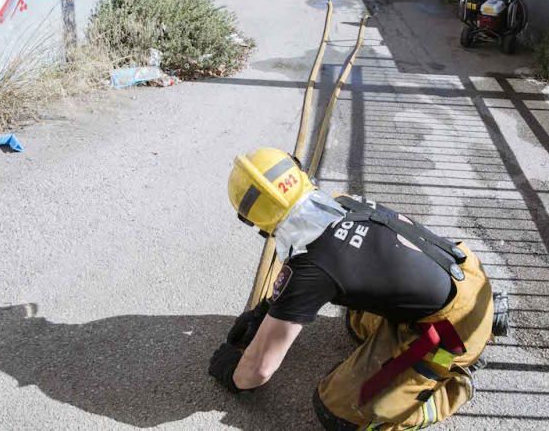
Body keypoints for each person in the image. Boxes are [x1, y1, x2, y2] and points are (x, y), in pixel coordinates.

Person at [209, 148, 506, 430]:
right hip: (466, 275)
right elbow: (329, 260)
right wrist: (268, 310)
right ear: (297, 171)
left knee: (342, 413)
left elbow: (257, 372)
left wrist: (231, 373)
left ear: (254, 221)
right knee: (356, 322)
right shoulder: (341, 201)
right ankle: (475, 321)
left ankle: (452, 380)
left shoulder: (311, 269)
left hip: (452, 332)